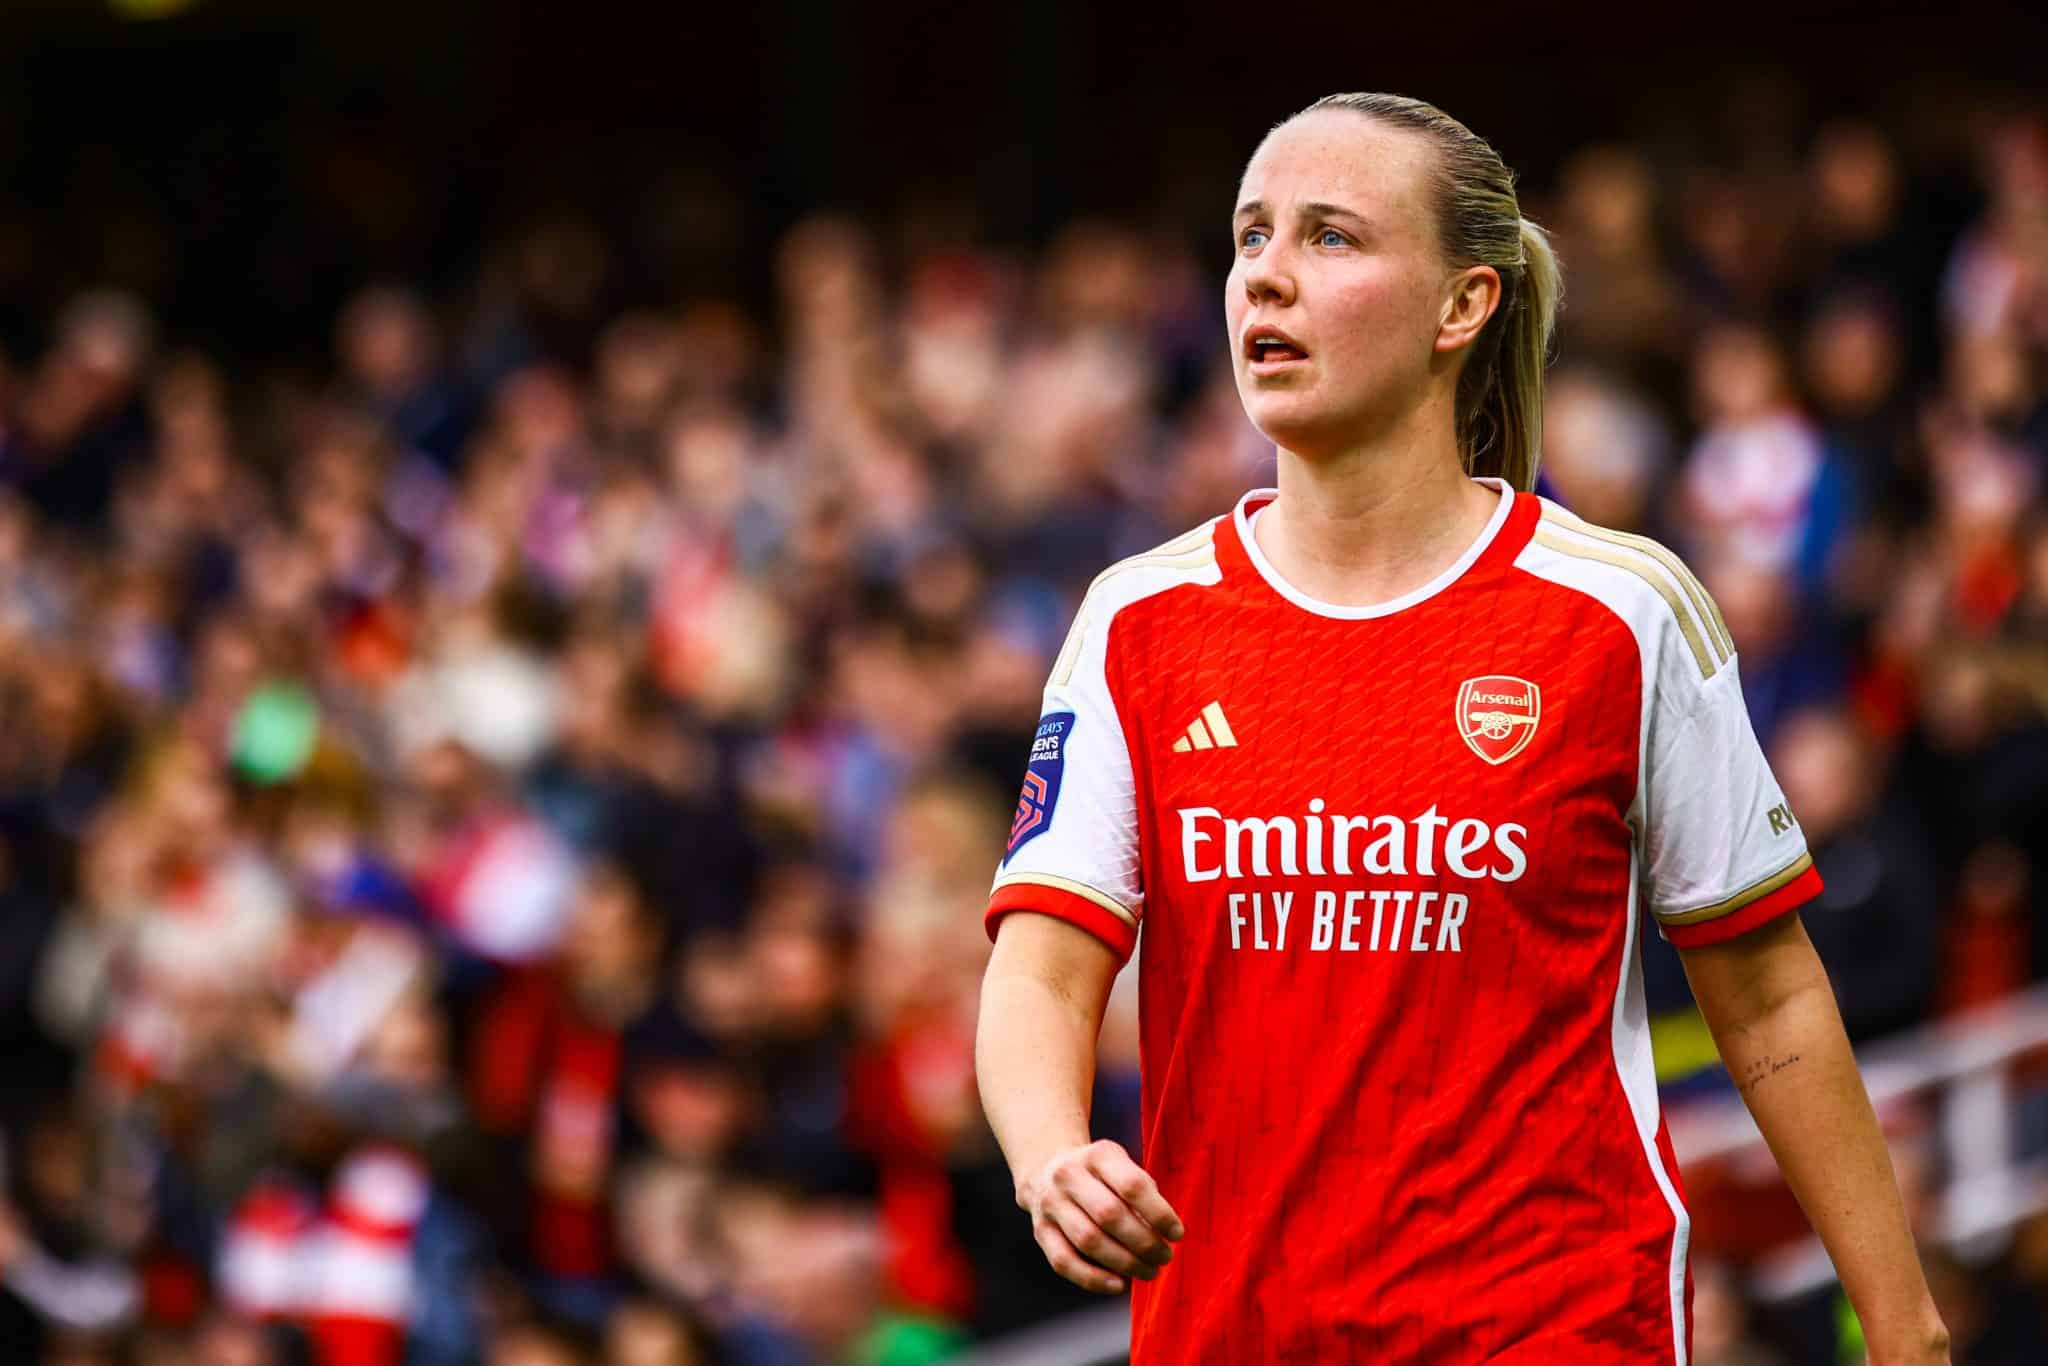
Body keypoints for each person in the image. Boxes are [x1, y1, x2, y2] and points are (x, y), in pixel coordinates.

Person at [973, 92, 1949, 1364]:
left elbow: (1765, 998)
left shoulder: (1618, 611)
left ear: (1461, 305)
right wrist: (1049, 1155)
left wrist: (1900, 1319)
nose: (1265, 275)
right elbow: (1042, 966)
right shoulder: (1134, 620)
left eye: (1328, 238)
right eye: (1249, 236)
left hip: (1551, 1323)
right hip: (1230, 1331)